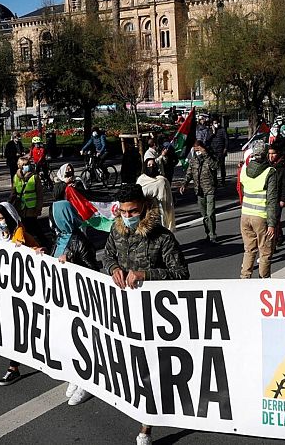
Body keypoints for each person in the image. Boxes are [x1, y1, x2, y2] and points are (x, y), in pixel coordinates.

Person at [102, 184, 189, 445]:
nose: (128, 216)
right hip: (125, 313)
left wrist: (145, 276)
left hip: (156, 316)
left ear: (144, 208)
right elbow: (107, 256)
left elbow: (181, 275)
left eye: (134, 211)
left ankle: (146, 428)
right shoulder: (116, 231)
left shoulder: (162, 237)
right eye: (124, 212)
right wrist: (113, 268)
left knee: (152, 371)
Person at [50, 200, 100, 405]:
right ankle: (75, 375)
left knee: (82, 340)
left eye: (53, 216)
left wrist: (71, 264)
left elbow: (92, 271)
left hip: (79, 299)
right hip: (62, 298)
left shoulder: (80, 241)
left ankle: (87, 382)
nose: (51, 221)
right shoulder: (59, 238)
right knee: (67, 340)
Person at [0, 202, 41, 386]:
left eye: (1, 218)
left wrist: (35, 253)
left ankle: (13, 368)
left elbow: (41, 259)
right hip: (0, 293)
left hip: (21, 294)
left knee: (18, 330)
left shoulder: (23, 237)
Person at [238, 140, 278, 278]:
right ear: (266, 154)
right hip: (261, 217)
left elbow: (242, 189)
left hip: (245, 215)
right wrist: (272, 224)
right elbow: (272, 200)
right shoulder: (270, 172)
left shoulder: (244, 169)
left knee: (249, 249)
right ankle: (264, 282)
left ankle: (245, 278)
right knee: (265, 252)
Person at [180, 140, 219, 242]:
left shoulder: (210, 157)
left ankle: (212, 235)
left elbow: (215, 166)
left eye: (198, 148)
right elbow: (189, 173)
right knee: (204, 215)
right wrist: (184, 184)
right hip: (199, 190)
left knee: (210, 214)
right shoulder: (193, 160)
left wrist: (205, 153)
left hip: (209, 188)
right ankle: (208, 233)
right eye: (195, 148)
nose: (197, 150)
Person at [10, 156, 46, 246]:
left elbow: (40, 194)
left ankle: (42, 243)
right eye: (25, 165)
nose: (27, 166)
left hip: (31, 208)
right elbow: (13, 193)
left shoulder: (35, 177)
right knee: (28, 227)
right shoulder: (16, 177)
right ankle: (34, 243)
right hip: (21, 208)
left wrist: (38, 208)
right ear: (19, 166)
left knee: (33, 227)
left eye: (28, 164)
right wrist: (9, 203)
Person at [137, 158, 176, 231]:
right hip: (146, 212)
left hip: (160, 211)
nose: (151, 167)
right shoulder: (141, 180)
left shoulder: (162, 180)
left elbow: (168, 199)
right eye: (149, 165)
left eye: (153, 165)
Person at [268, 142, 285, 246]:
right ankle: (279, 236)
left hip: (278, 199)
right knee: (272, 220)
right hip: (269, 198)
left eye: (273, 153)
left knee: (275, 220)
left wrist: (283, 199)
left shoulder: (283, 169)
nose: (271, 156)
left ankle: (274, 240)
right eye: (269, 153)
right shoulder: (267, 166)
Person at [210, 117, 229, 186]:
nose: (216, 124)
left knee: (222, 166)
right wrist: (213, 132)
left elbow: (226, 139)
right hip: (213, 151)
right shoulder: (210, 130)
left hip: (221, 150)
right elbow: (208, 139)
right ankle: (215, 181)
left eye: (217, 123)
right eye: (214, 123)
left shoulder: (222, 130)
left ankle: (223, 180)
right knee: (214, 166)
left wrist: (225, 148)